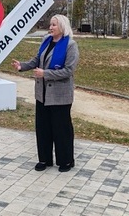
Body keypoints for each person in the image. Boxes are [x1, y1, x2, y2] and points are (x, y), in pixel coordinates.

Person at [11, 14, 79, 172]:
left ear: (62, 26)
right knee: (43, 128)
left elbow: (68, 71)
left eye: (54, 25)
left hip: (60, 95)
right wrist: (22, 66)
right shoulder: (46, 41)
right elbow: (37, 60)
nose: (50, 27)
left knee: (61, 129)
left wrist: (46, 74)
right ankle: (45, 159)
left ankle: (66, 161)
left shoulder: (70, 45)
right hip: (42, 94)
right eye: (50, 24)